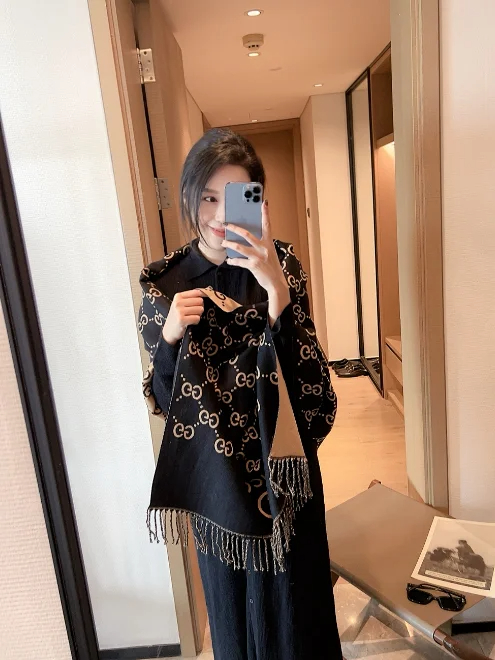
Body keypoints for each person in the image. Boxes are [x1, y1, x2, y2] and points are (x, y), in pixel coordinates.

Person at [138, 128, 342, 660]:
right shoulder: (165, 284)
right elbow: (165, 403)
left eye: (234, 199)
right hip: (219, 488)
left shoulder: (282, 265)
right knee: (234, 625)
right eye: (207, 197)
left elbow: (315, 394)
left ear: (257, 202)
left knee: (299, 618)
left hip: (286, 476)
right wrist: (169, 338)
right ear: (188, 195)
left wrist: (277, 294)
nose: (218, 216)